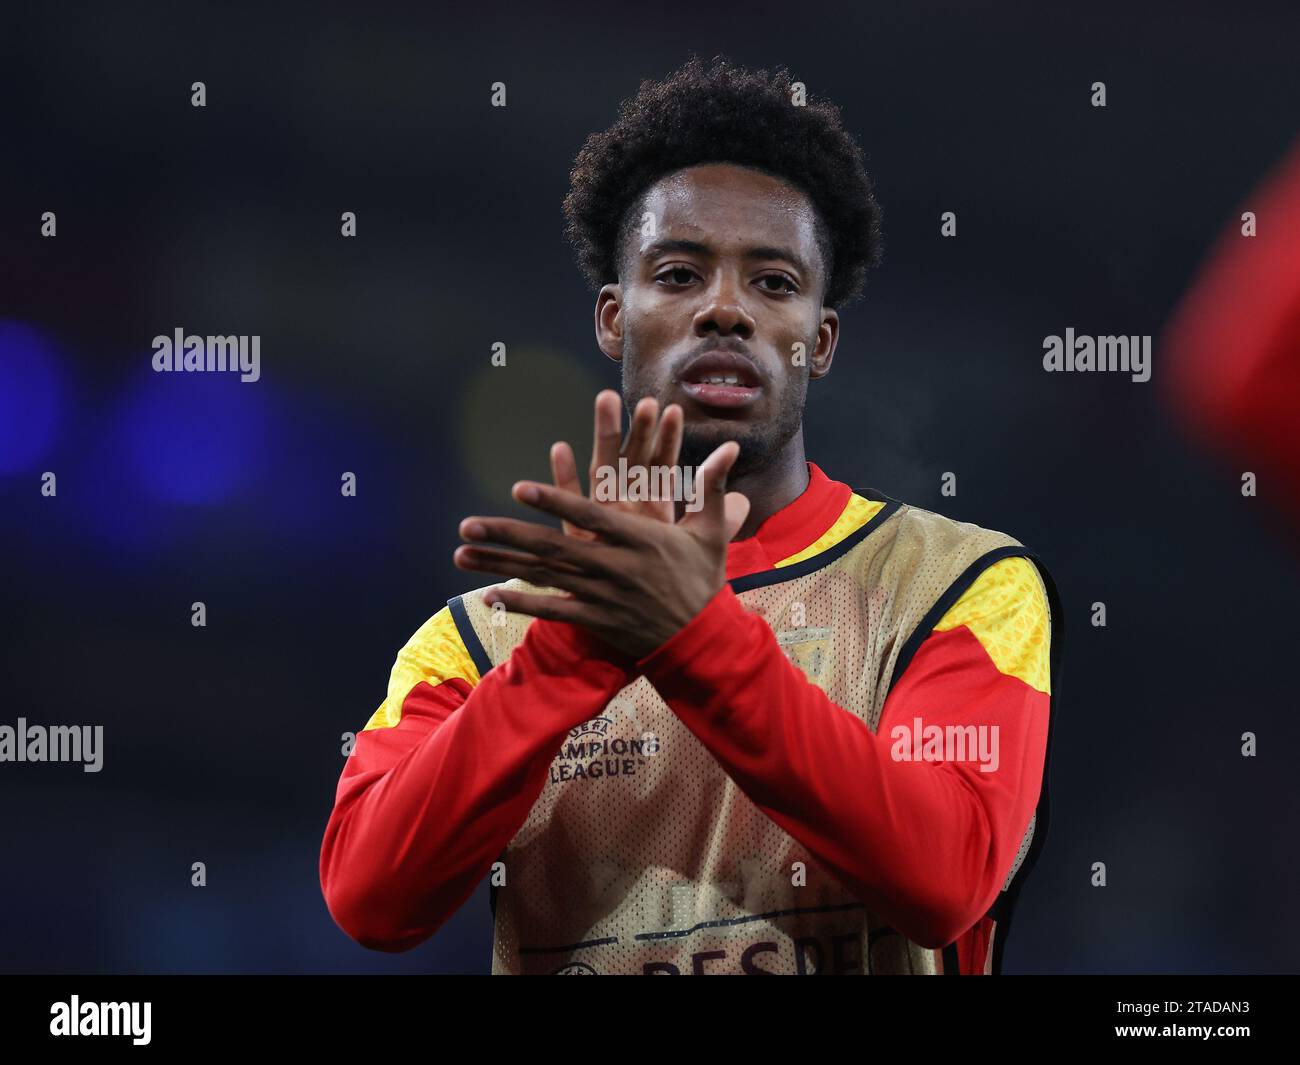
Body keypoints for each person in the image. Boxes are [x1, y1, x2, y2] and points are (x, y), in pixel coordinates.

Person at [319, 55, 1062, 975]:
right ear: (612, 318)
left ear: (818, 341)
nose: (725, 310)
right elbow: (369, 896)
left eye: (775, 284)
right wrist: (569, 655)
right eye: (678, 274)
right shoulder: (486, 640)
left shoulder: (960, 584)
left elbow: (944, 876)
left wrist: (689, 635)